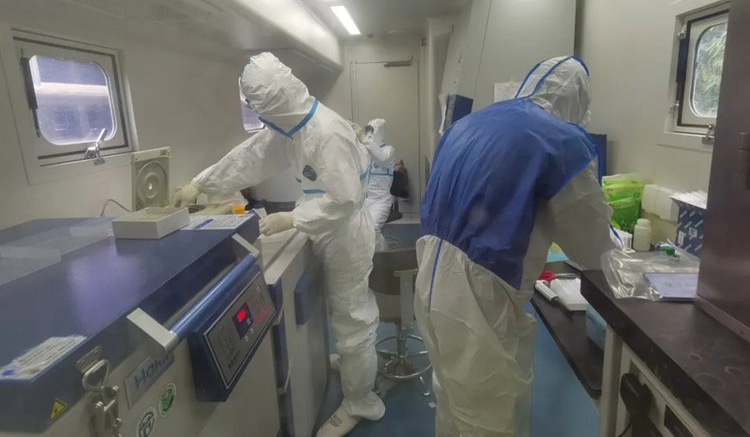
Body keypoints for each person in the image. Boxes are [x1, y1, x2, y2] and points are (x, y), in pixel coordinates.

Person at [173, 53, 384, 437]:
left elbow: (345, 199)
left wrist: (292, 219)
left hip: (345, 231)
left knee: (352, 316)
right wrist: (200, 184)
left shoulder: (325, 132)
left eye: (259, 108)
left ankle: (361, 401)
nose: (259, 116)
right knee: (339, 310)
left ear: (274, 103)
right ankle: (354, 363)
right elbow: (250, 158)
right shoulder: (292, 127)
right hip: (323, 225)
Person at [414, 56, 614, 437]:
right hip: (480, 299)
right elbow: (592, 247)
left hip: (430, 280)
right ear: (577, 101)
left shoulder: (466, 125)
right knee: (488, 419)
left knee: (452, 401)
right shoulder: (561, 141)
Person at [362, 118, 396, 251]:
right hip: (364, 200)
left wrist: (365, 140)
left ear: (380, 132)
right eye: (367, 131)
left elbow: (382, 159)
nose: (369, 134)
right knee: (358, 231)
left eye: (372, 131)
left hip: (380, 201)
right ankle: (367, 257)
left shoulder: (389, 150)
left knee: (372, 229)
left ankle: (384, 255)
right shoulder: (364, 151)